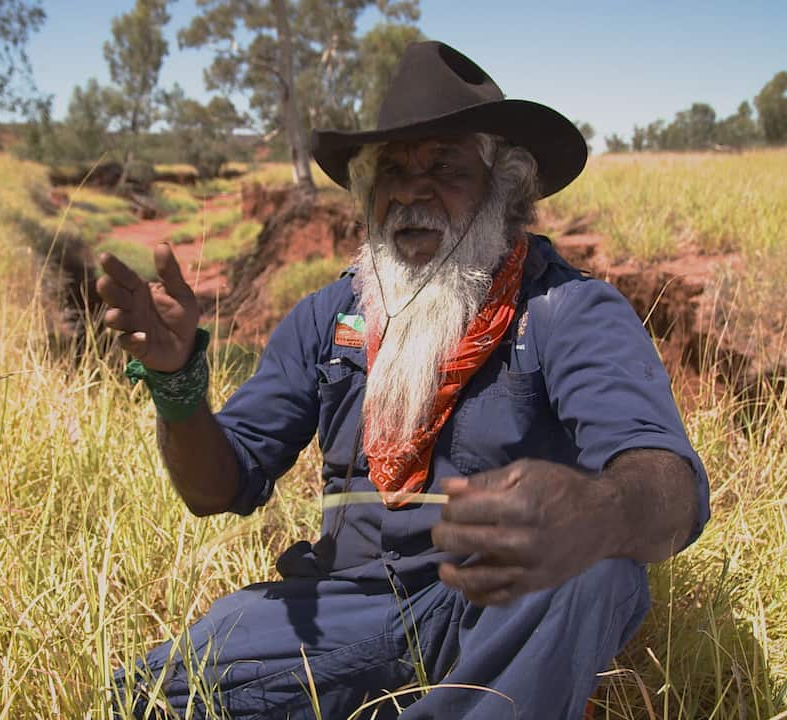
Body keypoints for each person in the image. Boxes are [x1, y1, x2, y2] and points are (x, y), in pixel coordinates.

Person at [97, 41, 710, 720]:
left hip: (496, 601)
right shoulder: (330, 318)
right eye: (392, 169)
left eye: (444, 165)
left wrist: (600, 510)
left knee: (598, 567)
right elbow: (218, 486)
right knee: (149, 697)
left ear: (504, 187)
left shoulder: (567, 312)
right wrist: (177, 384)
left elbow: (670, 486)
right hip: (349, 607)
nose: (410, 190)